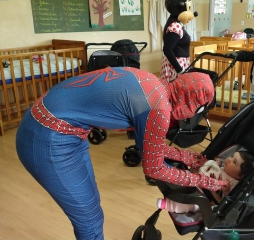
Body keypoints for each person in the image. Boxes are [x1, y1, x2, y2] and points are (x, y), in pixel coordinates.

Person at [16, 67, 227, 240]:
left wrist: (186, 156)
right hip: (48, 137)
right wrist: (204, 182)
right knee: (90, 219)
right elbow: (154, 169)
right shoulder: (159, 109)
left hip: (60, 126)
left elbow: (149, 146)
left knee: (91, 206)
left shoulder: (154, 84)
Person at [156, 149, 253, 213]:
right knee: (186, 173)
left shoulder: (233, 183)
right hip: (198, 183)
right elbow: (214, 170)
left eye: (234, 162)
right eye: (231, 156)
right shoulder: (223, 168)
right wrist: (216, 164)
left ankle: (169, 205)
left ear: (239, 175)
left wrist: (226, 191)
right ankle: (167, 172)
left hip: (208, 199)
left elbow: (225, 201)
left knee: (195, 206)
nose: (228, 160)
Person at [161, 0, 198, 82]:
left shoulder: (175, 22)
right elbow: (167, 50)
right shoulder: (174, 26)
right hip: (176, 65)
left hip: (179, 63)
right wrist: (180, 70)